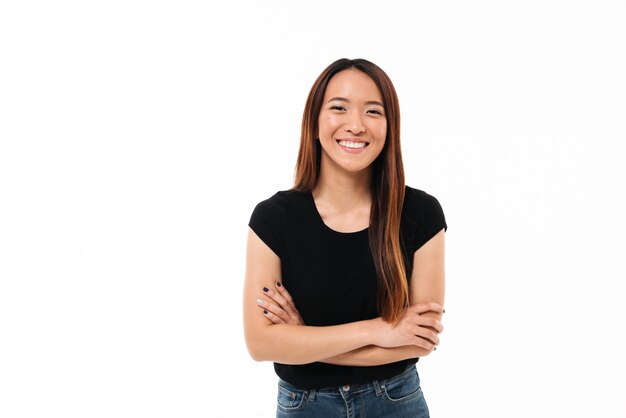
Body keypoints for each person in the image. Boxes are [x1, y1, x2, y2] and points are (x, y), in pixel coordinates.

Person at [243, 58, 447, 417]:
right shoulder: (273, 219)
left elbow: (421, 340)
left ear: (389, 126)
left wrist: (303, 339)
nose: (355, 125)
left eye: (373, 111)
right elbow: (261, 343)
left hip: (396, 402)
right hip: (304, 406)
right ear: (315, 122)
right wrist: (379, 329)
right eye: (339, 108)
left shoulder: (421, 213)